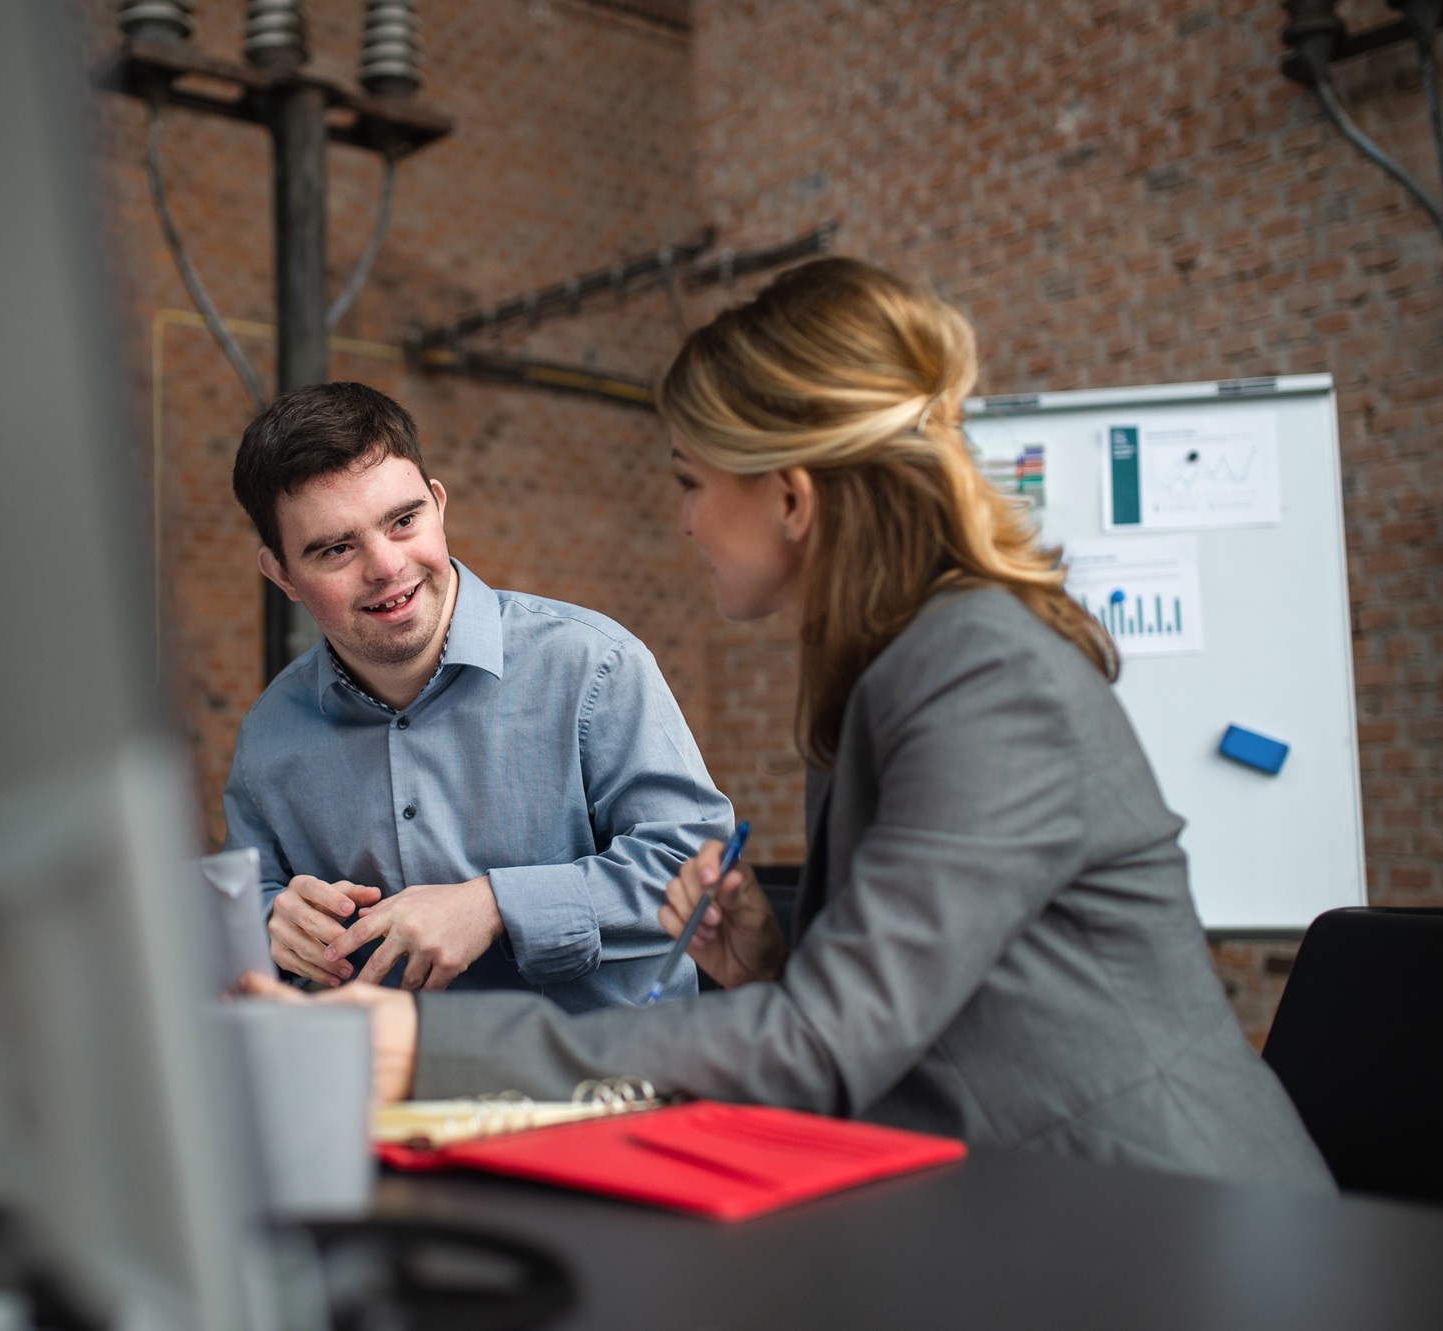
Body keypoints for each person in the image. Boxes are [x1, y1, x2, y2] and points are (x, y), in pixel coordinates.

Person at [243, 260, 1335, 1189]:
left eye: (691, 480)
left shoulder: (981, 675)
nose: (683, 521)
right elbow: (905, 1006)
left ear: (791, 500)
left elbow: (826, 1042)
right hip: (1015, 1201)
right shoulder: (891, 667)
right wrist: (769, 960)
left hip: (1166, 1216)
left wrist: (415, 1042)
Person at [223, 382, 732, 1012]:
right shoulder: (269, 735)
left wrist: (495, 905)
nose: (386, 567)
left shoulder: (592, 665)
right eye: (336, 549)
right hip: (388, 1100)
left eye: (403, 521)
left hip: (602, 1086)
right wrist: (270, 921)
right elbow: (245, 905)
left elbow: (697, 872)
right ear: (281, 574)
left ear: (438, 506)